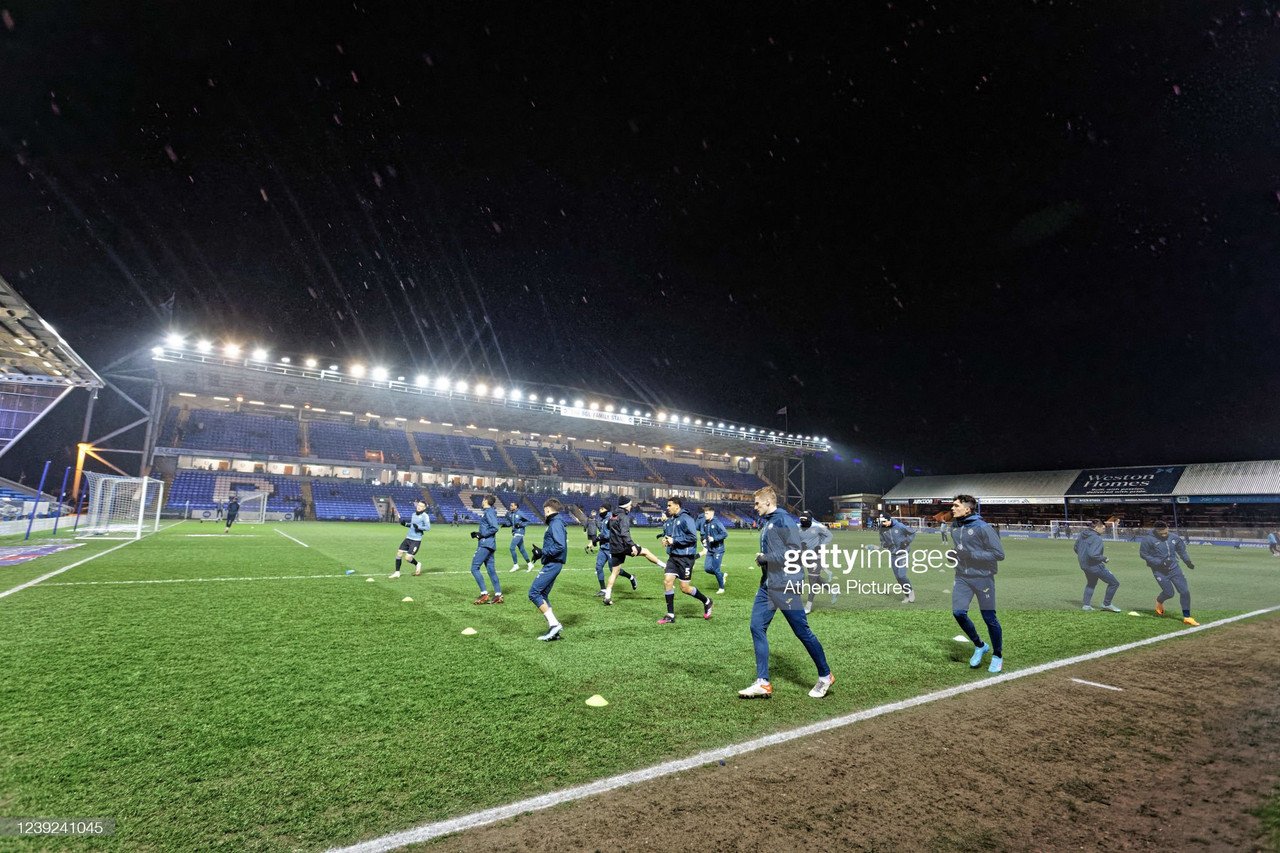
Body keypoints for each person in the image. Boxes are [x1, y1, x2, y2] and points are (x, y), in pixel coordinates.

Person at [738, 486, 834, 700]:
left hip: (786, 585)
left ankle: (826, 675)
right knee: (756, 626)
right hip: (768, 585)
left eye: (757, 503)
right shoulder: (770, 522)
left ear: (768, 503)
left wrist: (767, 558)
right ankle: (763, 683)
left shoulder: (783, 520)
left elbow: (794, 552)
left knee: (802, 632)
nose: (755, 507)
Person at [949, 494, 1005, 674]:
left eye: (956, 506)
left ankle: (997, 655)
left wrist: (971, 556)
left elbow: (999, 554)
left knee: (989, 618)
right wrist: (954, 556)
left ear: (967, 509)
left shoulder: (983, 527)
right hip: (962, 577)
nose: (952, 508)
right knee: (958, 613)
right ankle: (979, 645)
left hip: (983, 578)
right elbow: (960, 551)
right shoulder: (954, 526)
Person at [656, 497, 713, 624]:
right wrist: (667, 540)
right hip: (674, 557)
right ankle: (670, 614)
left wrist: (674, 541)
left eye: (669, 505)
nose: (667, 507)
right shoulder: (672, 520)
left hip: (686, 559)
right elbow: (672, 536)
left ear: (677, 506)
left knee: (684, 588)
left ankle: (707, 601)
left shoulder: (687, 519)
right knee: (667, 581)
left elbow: (692, 538)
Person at [1139, 521, 1199, 626]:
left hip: (1175, 569)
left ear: (1168, 528)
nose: (1164, 535)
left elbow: (1182, 551)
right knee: (1169, 593)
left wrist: (1187, 561)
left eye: (1165, 533)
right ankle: (1159, 601)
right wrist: (1159, 562)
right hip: (1159, 571)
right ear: (1156, 531)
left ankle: (1187, 617)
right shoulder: (1148, 539)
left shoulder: (1174, 538)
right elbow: (1143, 554)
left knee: (1184, 592)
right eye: (1161, 534)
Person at [528, 498, 568, 641]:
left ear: (548, 510)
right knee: (542, 594)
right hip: (552, 563)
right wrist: (541, 553)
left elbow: (560, 546)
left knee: (534, 593)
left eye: (545, 511)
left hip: (553, 564)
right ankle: (554, 629)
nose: (544, 514)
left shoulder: (556, 523)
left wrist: (543, 552)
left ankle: (554, 624)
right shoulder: (555, 522)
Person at [601, 496, 641, 605]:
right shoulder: (624, 517)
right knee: (645, 551)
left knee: (615, 572)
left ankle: (607, 597)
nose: (631, 506)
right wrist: (632, 545)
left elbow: (609, 527)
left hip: (613, 547)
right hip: (623, 546)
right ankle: (663, 565)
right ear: (626, 505)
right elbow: (624, 533)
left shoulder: (613, 515)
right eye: (630, 504)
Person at [1074, 519, 1121, 612]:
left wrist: (1083, 557)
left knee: (1091, 583)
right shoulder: (1097, 538)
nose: (1104, 530)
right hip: (1094, 566)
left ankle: (1086, 606)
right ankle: (1106, 604)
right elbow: (1093, 554)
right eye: (1102, 528)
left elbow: (1076, 548)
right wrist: (1104, 558)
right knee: (1114, 583)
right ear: (1096, 528)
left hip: (1084, 565)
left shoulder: (1082, 535)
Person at [468, 494, 503, 604]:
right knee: (491, 570)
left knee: (474, 568)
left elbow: (495, 527)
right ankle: (498, 595)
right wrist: (479, 534)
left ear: (486, 501)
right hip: (489, 544)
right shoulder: (489, 512)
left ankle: (484, 594)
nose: (482, 501)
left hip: (485, 545)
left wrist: (482, 535)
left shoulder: (489, 512)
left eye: (483, 500)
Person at [798, 511, 834, 613]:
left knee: (812, 581)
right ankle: (833, 591)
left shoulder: (818, 527)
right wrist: (800, 545)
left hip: (816, 557)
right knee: (816, 579)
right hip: (803, 556)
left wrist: (821, 545)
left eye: (805, 520)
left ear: (809, 520)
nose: (803, 522)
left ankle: (808, 606)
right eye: (801, 520)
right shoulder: (797, 528)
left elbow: (830, 536)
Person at [877, 511, 917, 603]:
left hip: (903, 553)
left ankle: (911, 592)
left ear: (889, 519)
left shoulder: (899, 526)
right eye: (882, 522)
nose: (883, 524)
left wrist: (906, 542)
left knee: (902, 575)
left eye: (885, 522)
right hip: (893, 555)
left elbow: (912, 533)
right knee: (898, 577)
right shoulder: (882, 528)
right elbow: (882, 540)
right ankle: (907, 595)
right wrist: (884, 545)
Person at [388, 499, 431, 578]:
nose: (419, 507)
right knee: (399, 553)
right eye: (418, 505)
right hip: (408, 538)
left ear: (424, 508)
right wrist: (405, 524)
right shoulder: (414, 514)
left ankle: (417, 564)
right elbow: (412, 525)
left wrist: (419, 528)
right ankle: (397, 572)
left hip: (416, 540)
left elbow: (428, 528)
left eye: (421, 506)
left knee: (408, 558)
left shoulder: (425, 516)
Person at [697, 505, 728, 594]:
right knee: (707, 568)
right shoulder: (706, 523)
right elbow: (706, 535)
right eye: (704, 513)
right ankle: (722, 576)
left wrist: (714, 538)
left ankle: (721, 588)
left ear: (712, 513)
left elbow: (725, 534)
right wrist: (706, 541)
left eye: (706, 513)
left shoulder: (717, 522)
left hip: (718, 549)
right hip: (710, 550)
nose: (705, 515)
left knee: (716, 569)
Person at [585, 503, 611, 596]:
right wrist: (598, 538)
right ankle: (603, 589)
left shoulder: (611, 519)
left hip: (611, 548)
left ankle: (631, 577)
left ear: (607, 509)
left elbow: (611, 535)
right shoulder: (603, 520)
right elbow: (603, 533)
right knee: (598, 567)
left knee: (614, 571)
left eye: (602, 509)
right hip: (603, 548)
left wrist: (599, 538)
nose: (600, 510)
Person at [503, 502, 534, 572]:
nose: (510, 506)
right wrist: (505, 524)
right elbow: (510, 523)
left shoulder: (520, 513)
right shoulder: (511, 514)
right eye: (510, 505)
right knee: (522, 549)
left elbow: (528, 521)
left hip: (519, 532)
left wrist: (521, 525)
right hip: (515, 533)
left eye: (512, 505)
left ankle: (516, 565)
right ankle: (530, 564)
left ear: (516, 506)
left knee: (511, 548)